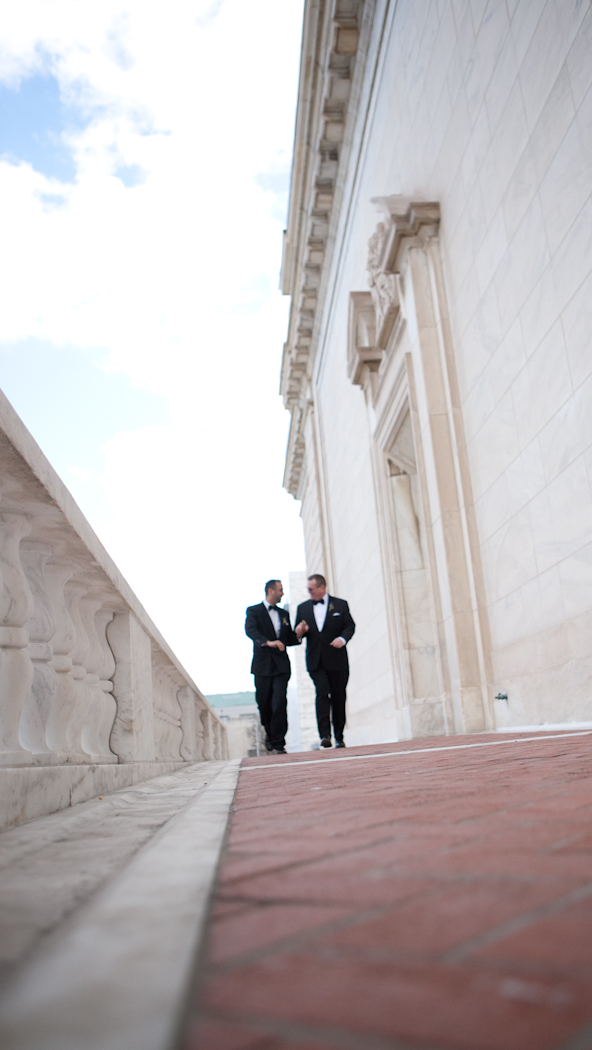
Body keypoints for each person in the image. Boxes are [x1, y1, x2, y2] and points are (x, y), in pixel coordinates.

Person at [295, 574, 355, 748]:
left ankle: (339, 736)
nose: (308, 592)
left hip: (337, 660)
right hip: (316, 661)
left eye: (310, 589)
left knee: (338, 697)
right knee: (322, 693)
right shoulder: (303, 608)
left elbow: (350, 626)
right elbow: (296, 633)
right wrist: (299, 631)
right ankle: (324, 735)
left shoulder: (340, 605)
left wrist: (343, 639)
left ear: (322, 588)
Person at [245, 580, 300, 754]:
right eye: (280, 590)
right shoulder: (254, 611)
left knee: (279, 703)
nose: (282, 593)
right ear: (270, 591)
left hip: (281, 666)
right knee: (264, 704)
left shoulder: (284, 614)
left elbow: (289, 639)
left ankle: (279, 743)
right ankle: (269, 734)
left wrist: (299, 633)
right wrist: (268, 642)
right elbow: (250, 631)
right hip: (262, 666)